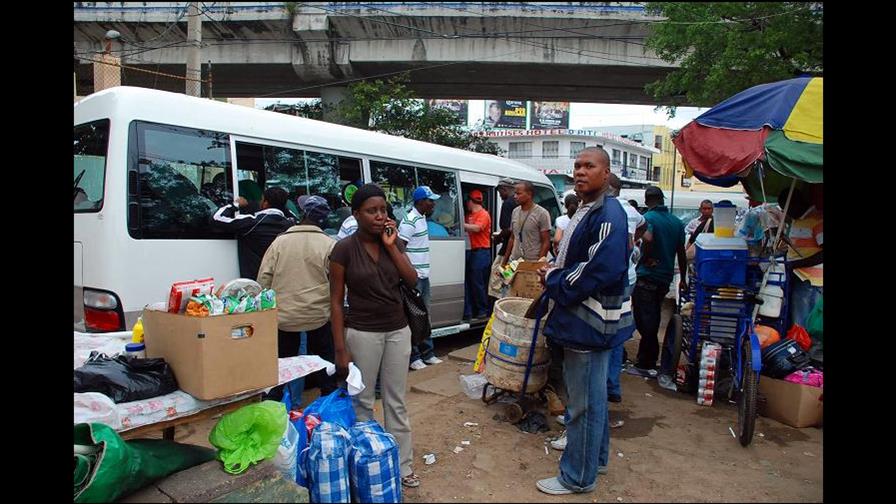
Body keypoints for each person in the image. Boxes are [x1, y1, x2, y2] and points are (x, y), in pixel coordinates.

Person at [534, 147, 633, 495]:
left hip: (589, 324)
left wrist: (554, 281)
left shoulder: (608, 214)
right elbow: (578, 260)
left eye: (589, 166)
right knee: (593, 400)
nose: (580, 172)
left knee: (583, 406)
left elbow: (599, 268)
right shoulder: (590, 209)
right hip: (584, 322)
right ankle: (597, 459)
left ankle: (577, 477)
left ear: (606, 174)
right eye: (577, 166)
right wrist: (556, 270)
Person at [329, 183, 421, 489]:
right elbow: (335, 300)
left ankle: (402, 465)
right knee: (363, 402)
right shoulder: (343, 249)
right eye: (372, 211)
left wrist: (392, 246)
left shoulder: (392, 243)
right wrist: (340, 348)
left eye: (383, 209)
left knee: (396, 402)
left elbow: (411, 280)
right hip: (362, 333)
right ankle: (366, 462)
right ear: (356, 214)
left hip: (397, 330)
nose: (380, 216)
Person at [258, 195, 337, 407]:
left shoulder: (280, 242)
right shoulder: (329, 245)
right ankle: (329, 411)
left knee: (281, 368)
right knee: (325, 367)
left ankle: (272, 408)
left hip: (284, 319)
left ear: (303, 215)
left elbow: (263, 280)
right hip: (318, 318)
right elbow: (337, 285)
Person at [628, 186, 687, 392]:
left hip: (647, 275)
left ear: (647, 200)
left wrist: (646, 258)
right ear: (662, 199)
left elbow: (648, 239)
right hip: (665, 277)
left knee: (647, 320)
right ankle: (649, 358)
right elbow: (681, 252)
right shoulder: (677, 223)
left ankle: (647, 361)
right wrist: (684, 278)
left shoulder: (648, 218)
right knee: (653, 316)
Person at [399, 186, 443, 371]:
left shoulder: (422, 218)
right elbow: (400, 248)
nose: (433, 203)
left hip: (424, 277)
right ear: (420, 202)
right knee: (413, 318)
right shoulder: (409, 221)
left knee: (424, 318)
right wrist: (410, 272)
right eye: (430, 200)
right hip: (414, 278)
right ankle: (414, 357)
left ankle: (428, 354)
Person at [211, 186, 295, 280]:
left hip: (255, 281)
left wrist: (235, 205)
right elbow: (293, 216)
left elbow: (216, 218)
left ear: (265, 203)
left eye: (261, 199)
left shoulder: (251, 223)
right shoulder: (290, 225)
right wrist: (281, 206)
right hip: (280, 279)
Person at [778, 188, 823, 328]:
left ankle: (805, 348)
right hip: (798, 276)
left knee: (803, 322)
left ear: (796, 203)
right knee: (797, 319)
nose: (786, 213)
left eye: (786, 208)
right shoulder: (797, 220)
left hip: (811, 281)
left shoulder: (817, 220)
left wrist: (794, 264)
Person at [501, 181, 551, 267]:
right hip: (514, 262)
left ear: (529, 194)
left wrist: (538, 265)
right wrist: (504, 263)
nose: (515, 197)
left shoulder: (542, 213)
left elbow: (546, 242)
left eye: (519, 194)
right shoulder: (515, 212)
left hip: (532, 263)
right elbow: (512, 238)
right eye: (515, 193)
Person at [463, 190, 492, 320]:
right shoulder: (468, 215)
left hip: (481, 252)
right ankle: (473, 310)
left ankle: (482, 310)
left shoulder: (483, 214)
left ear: (471, 201)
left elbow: (477, 228)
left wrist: (461, 225)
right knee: (471, 282)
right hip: (471, 252)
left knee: (478, 284)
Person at [495, 178, 518, 257]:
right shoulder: (518, 203)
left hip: (508, 247)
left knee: (496, 268)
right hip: (517, 248)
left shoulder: (507, 203)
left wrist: (498, 237)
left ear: (504, 189)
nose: (500, 195)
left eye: (500, 192)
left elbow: (508, 229)